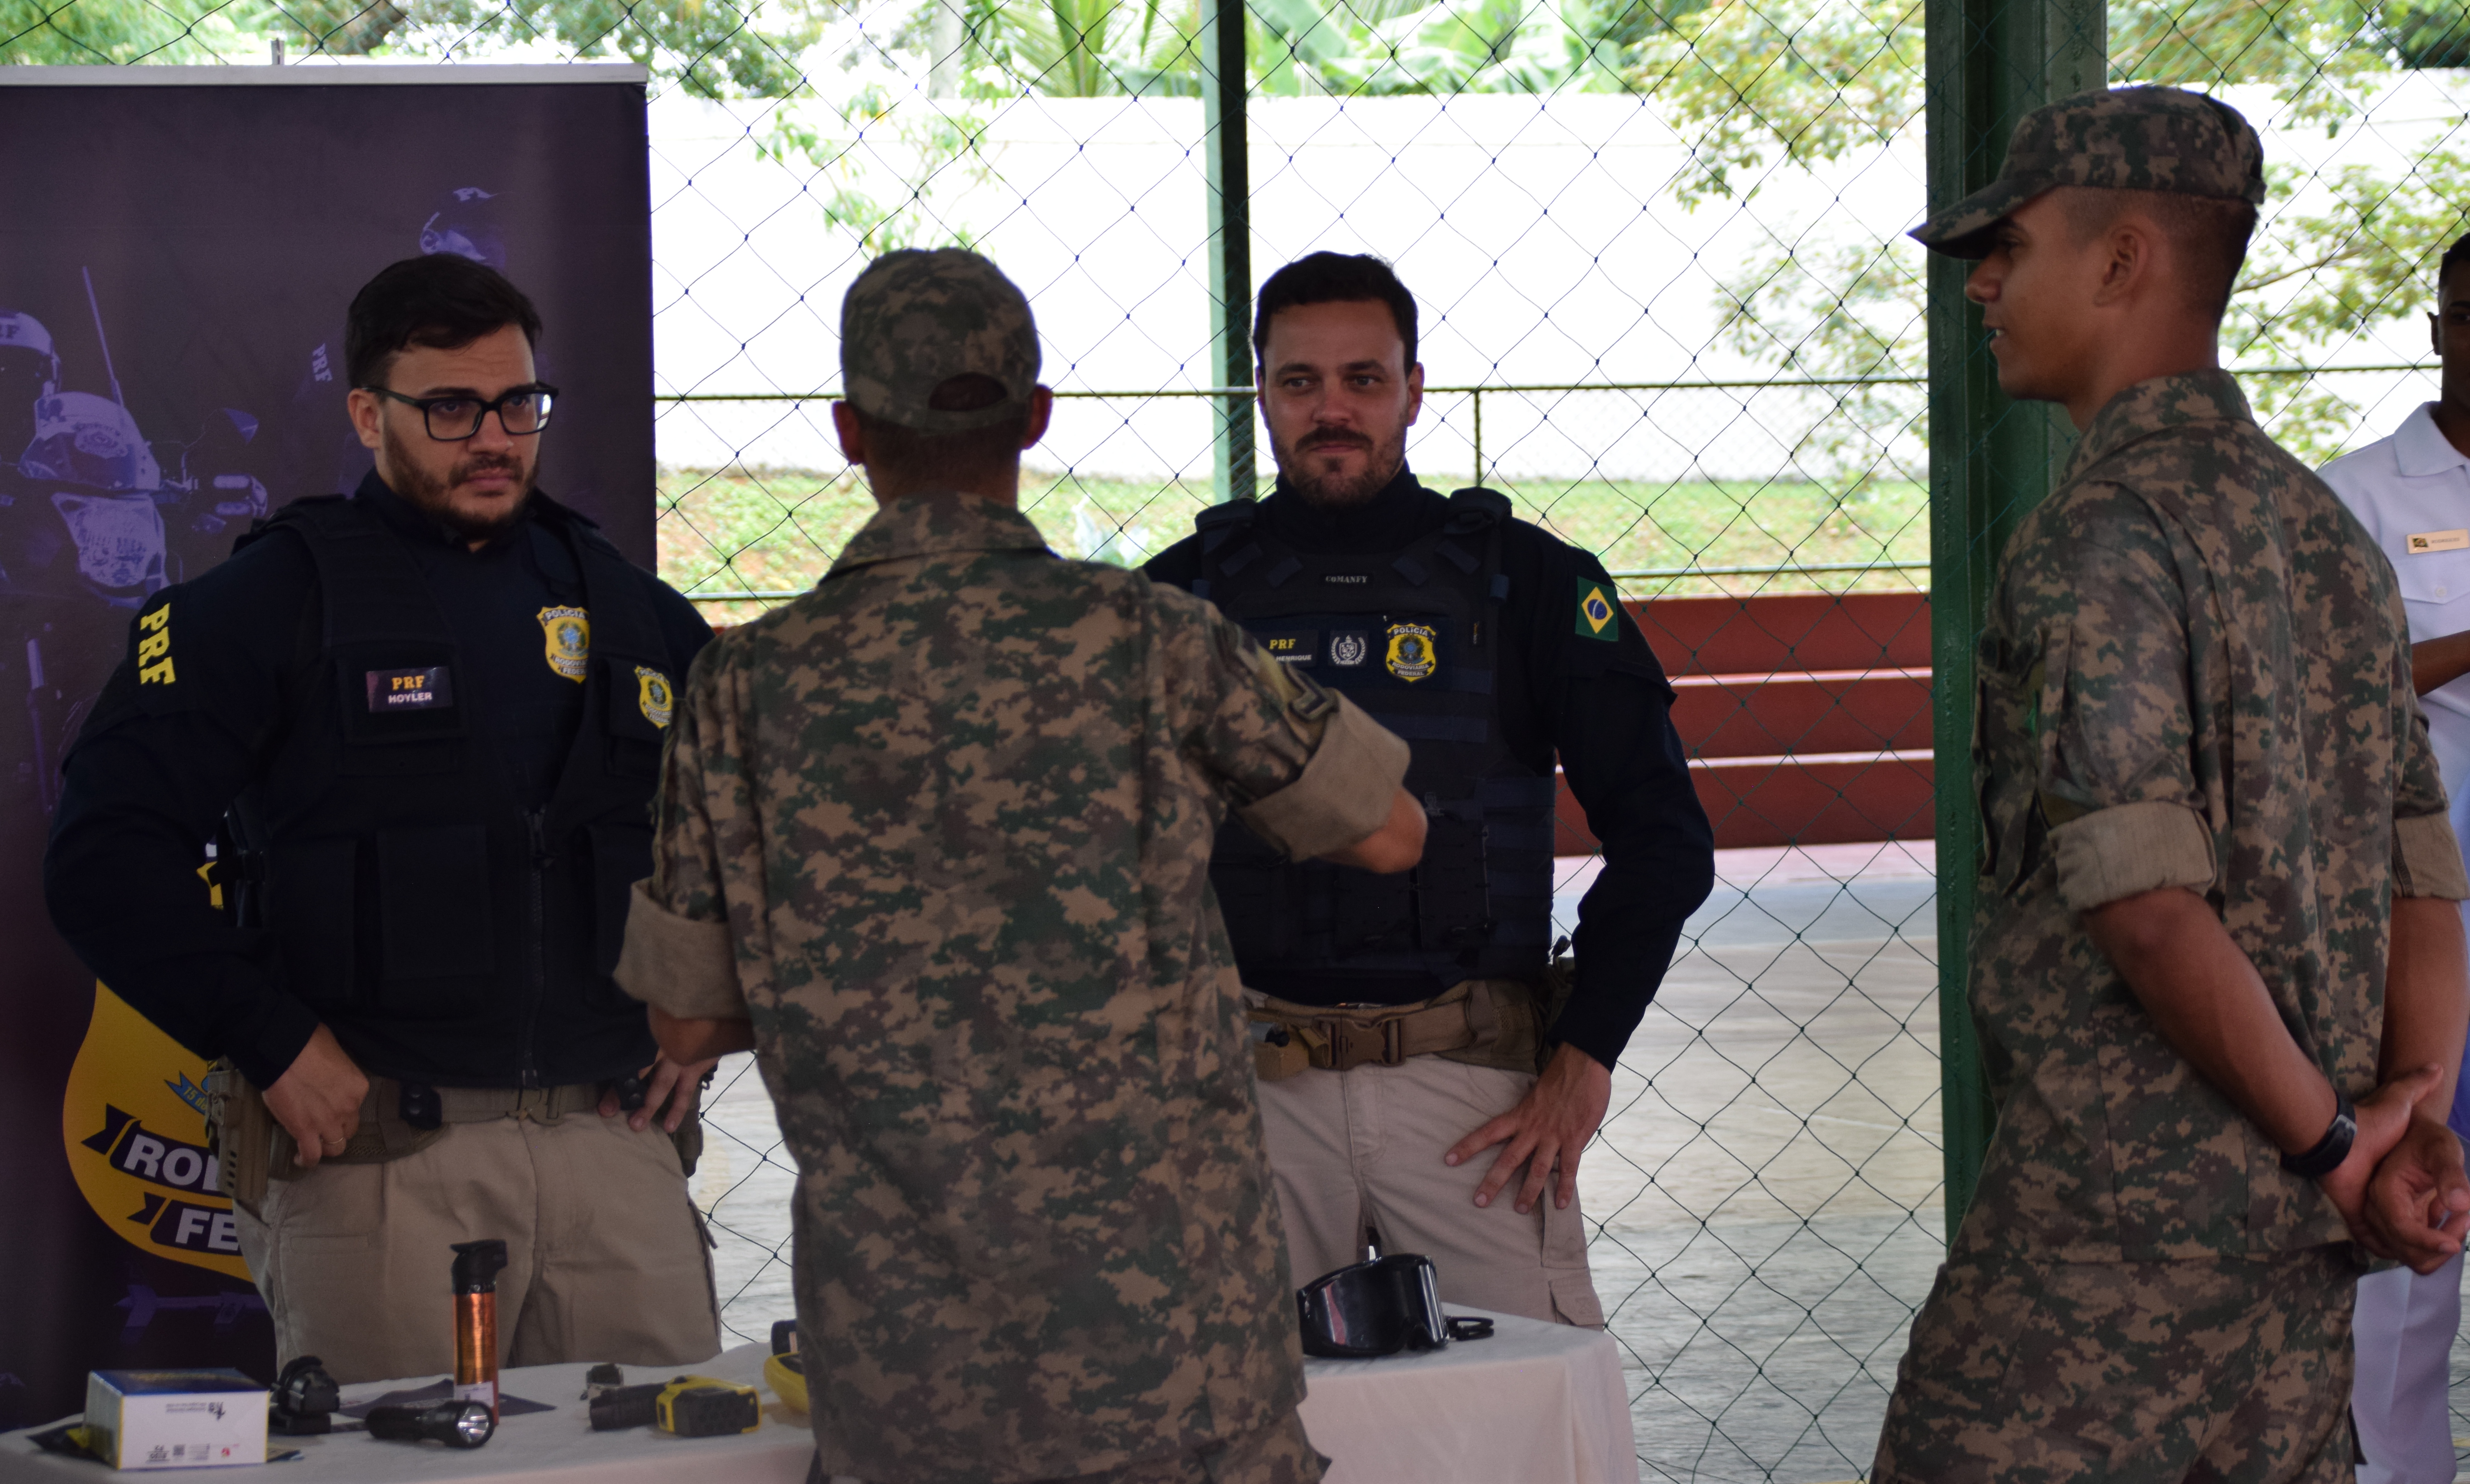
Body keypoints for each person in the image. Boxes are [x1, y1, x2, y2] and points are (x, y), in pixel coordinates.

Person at [620, 247, 1427, 1484]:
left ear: (848, 432)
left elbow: (682, 1024)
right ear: (1036, 418)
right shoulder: (1155, 637)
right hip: (1180, 1365)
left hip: (908, 1381)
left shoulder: (745, 686)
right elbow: (1391, 832)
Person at [1873, 84, 2470, 1482]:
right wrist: (2412, 1116)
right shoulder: (2323, 530)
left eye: (2008, 249)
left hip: (2103, 1252)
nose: (1987, 291)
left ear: (2124, 259)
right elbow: (2423, 868)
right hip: (2289, 1268)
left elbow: (2145, 906)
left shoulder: (2099, 534)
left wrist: (2342, 1145)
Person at [44, 253, 721, 1381]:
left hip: (619, 1156)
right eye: (450, 408)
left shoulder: (633, 610)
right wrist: (262, 1034)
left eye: (518, 404)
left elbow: (737, 841)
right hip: (381, 1162)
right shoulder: (268, 604)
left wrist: (706, 1001)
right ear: (369, 413)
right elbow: (103, 859)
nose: (495, 436)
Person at [1140, 252, 1715, 1328]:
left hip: (1478, 1101)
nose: (1333, 410)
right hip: (1245, 1093)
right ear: (1259, 392)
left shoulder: (1532, 582)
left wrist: (1586, 1054)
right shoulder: (1179, 598)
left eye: (1365, 379)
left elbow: (1663, 838)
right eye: (1299, 382)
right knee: (1235, 1435)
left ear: (1414, 387)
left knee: (1515, 1427)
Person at [2317, 229, 2470, 1484]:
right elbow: (2337, 689)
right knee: (2412, 1253)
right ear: (2436, 327)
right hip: (2425, 929)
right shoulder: (2359, 494)